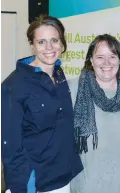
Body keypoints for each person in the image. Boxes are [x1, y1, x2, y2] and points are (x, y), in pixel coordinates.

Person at [1, 15, 83, 193]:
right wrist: (21, 188)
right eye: (41, 42)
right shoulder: (13, 85)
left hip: (62, 180)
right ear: (32, 45)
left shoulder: (59, 74)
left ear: (62, 43)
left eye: (54, 40)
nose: (49, 48)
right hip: (34, 184)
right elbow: (11, 147)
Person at [69, 34, 120, 193]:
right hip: (87, 185)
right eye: (100, 57)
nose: (106, 63)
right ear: (91, 60)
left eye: (112, 56)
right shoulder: (73, 89)